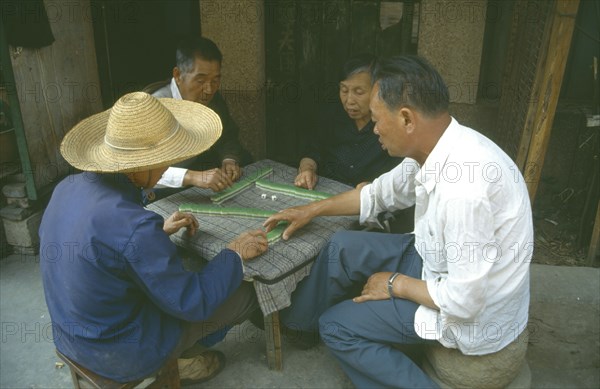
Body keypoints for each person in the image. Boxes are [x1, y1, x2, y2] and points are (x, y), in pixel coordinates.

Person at [263, 55, 533, 388]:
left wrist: (394, 284)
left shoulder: (464, 189)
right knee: (342, 246)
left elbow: (464, 302)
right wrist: (311, 210)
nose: (373, 129)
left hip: (469, 313)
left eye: (377, 120)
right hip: (435, 261)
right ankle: (298, 326)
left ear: (406, 118)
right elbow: (376, 195)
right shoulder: (437, 146)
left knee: (336, 326)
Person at [39, 92, 268, 384]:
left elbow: (96, 247)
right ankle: (180, 359)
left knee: (189, 272)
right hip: (121, 353)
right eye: (163, 161)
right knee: (245, 294)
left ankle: (182, 355)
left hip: (71, 335)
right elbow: (193, 302)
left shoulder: (66, 187)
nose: (165, 168)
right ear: (141, 166)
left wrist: (154, 235)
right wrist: (234, 251)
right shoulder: (135, 226)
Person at [152, 36, 251, 194]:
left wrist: (229, 160)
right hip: (157, 189)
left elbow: (227, 136)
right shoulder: (155, 107)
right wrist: (193, 177)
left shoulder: (213, 98)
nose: (209, 90)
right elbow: (140, 170)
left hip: (197, 178)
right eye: (200, 80)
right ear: (178, 75)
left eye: (215, 80)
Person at [295, 53, 402, 190]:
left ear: (378, 91)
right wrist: (307, 170)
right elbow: (312, 152)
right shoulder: (332, 116)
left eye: (359, 92)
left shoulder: (391, 127)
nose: (349, 100)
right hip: (325, 191)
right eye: (344, 90)